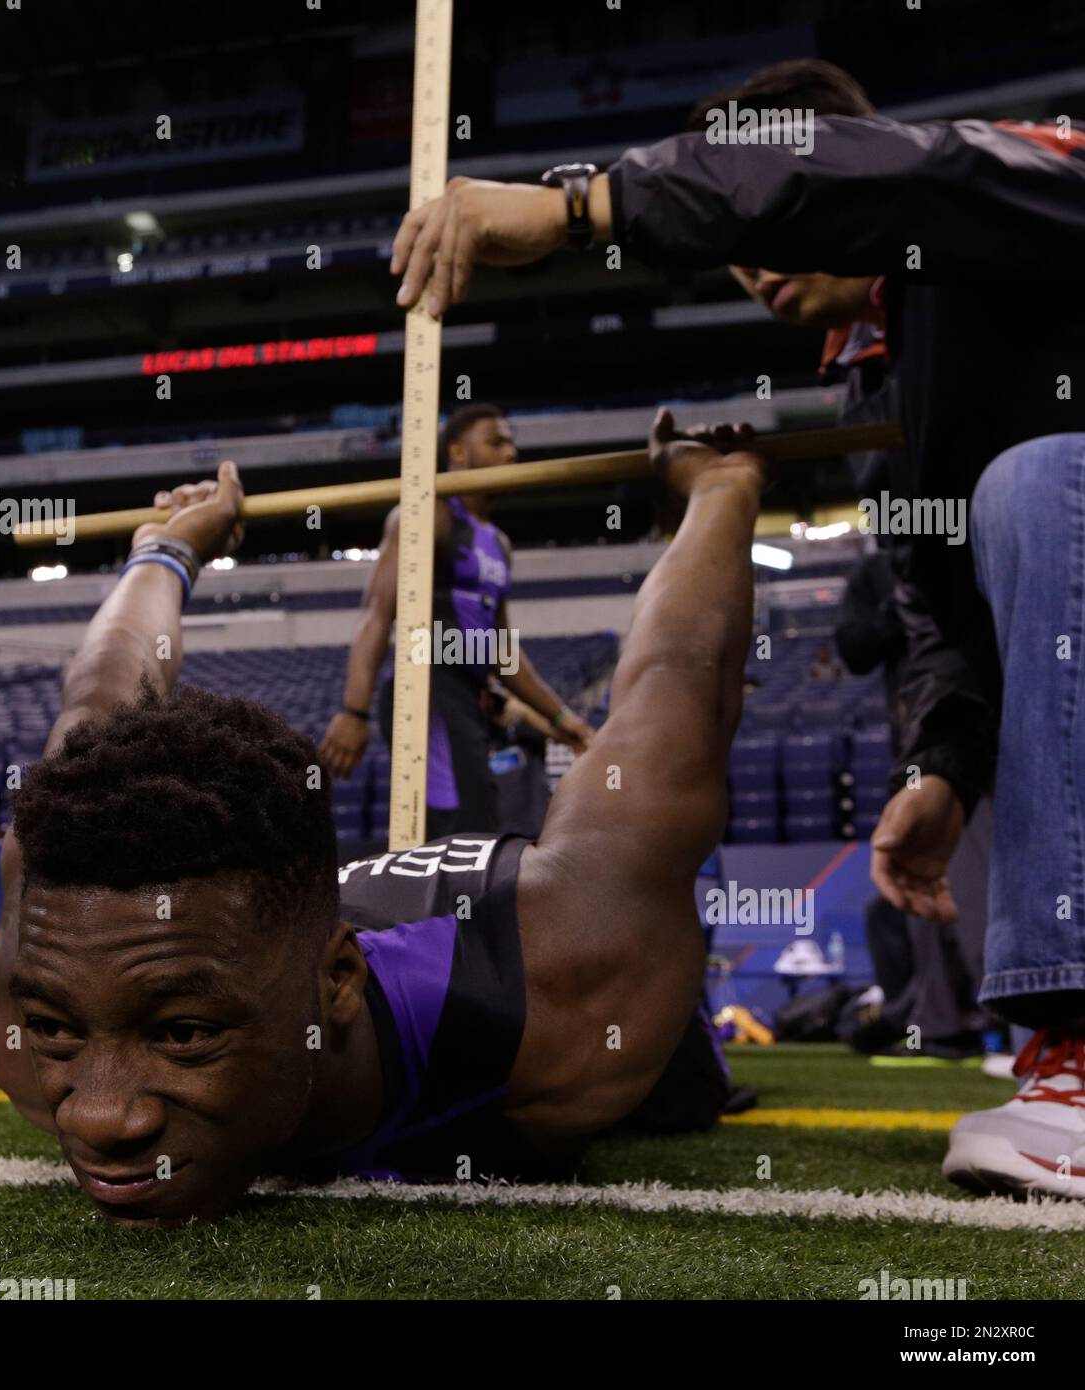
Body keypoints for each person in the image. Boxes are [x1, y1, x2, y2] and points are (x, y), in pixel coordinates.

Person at [386, 58, 1085, 1197]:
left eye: (762, 212)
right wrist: (946, 761)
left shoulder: (978, 180)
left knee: (1042, 478)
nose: (750, 257)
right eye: (736, 234)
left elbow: (825, 170)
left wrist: (577, 205)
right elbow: (938, 598)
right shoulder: (876, 379)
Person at [0, 414, 763, 1224]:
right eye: (58, 1031)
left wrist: (720, 489)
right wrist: (167, 548)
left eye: (184, 1034)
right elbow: (100, 695)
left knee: (680, 1096)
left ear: (339, 983)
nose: (99, 1120)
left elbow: (679, 677)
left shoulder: (562, 985)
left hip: (515, 951)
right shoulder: (37, 984)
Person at [319, 403, 591, 836]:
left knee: (477, 828)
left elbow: (501, 652)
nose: (511, 453)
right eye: (497, 442)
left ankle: (453, 907)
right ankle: (441, 908)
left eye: (512, 442)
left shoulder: (499, 544)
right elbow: (376, 611)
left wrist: (564, 721)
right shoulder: (433, 515)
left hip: (471, 698)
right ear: (459, 454)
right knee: (461, 829)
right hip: (427, 693)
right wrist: (354, 710)